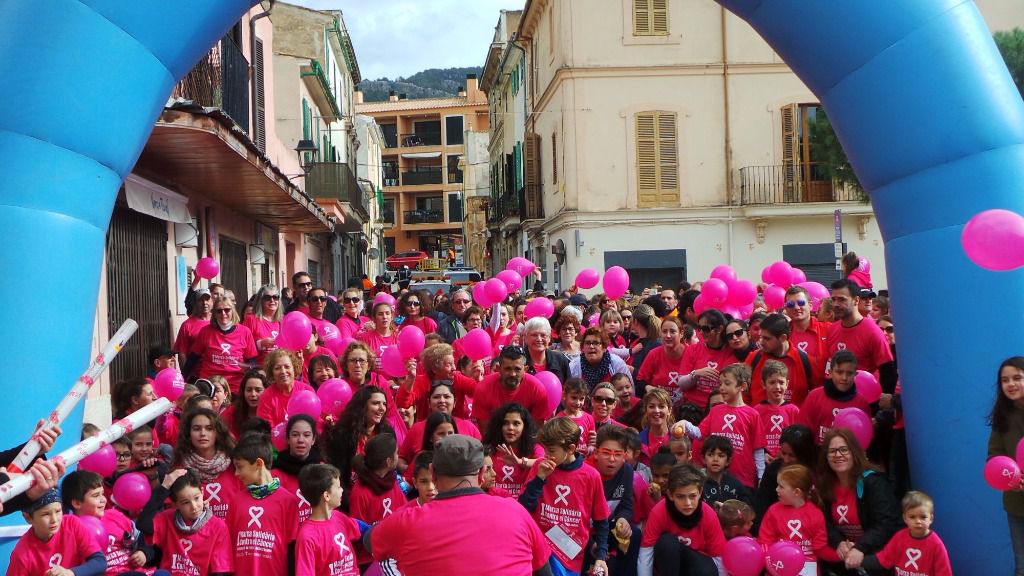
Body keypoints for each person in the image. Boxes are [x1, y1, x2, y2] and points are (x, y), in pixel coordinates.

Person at [364, 434, 553, 575]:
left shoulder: (408, 521)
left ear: (433, 473)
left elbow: (370, 540)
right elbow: (543, 571)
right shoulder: (515, 512)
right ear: (482, 473)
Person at [519, 417, 610, 576]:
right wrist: (539, 479)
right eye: (545, 449)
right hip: (539, 549)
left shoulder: (591, 476)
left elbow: (601, 521)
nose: (546, 454)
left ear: (571, 448)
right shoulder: (540, 467)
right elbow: (524, 508)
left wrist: (601, 555)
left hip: (571, 555)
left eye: (552, 451)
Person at [817, 428, 901, 575]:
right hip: (844, 557)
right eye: (832, 451)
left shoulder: (874, 482)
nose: (838, 455)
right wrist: (839, 542)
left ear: (854, 452)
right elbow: (823, 521)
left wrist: (860, 547)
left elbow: (886, 523)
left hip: (875, 556)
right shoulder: (825, 485)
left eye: (844, 450)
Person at [227, 432, 299, 576]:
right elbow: (228, 544)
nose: (236, 473)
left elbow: (293, 548)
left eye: (240, 467)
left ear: (259, 464)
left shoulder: (288, 501)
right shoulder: (236, 501)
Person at [638, 464, 726, 576]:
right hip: (668, 565)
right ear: (670, 495)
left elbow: (719, 557)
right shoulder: (659, 511)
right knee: (667, 543)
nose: (687, 503)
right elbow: (646, 551)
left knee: (705, 569)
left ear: (700, 492)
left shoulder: (708, 514)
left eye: (692, 496)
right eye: (680, 496)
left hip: (697, 565)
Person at [61, 470, 156, 573]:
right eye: (96, 495)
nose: (103, 500)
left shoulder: (114, 515)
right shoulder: (71, 529)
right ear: (77, 503)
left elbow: (141, 538)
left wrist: (144, 553)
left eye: (102, 494)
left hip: (138, 571)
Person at [322, 385, 396, 509]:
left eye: (384, 404)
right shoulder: (342, 433)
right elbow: (337, 472)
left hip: (381, 495)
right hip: (350, 499)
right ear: (362, 406)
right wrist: (347, 503)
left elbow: (391, 469)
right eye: (376, 403)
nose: (381, 408)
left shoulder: (387, 432)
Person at [758, 464, 840, 573]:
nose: (776, 489)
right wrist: (771, 565)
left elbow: (820, 548)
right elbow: (765, 542)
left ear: (797, 492)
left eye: (781, 487)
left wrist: (839, 556)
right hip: (778, 564)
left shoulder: (816, 514)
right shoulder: (773, 511)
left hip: (807, 567)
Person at [151, 469, 233, 575]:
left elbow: (221, 571)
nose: (194, 507)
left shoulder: (218, 526)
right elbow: (143, 525)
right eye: (185, 503)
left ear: (202, 492)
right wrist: (164, 487)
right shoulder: (166, 518)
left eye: (197, 498)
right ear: (175, 503)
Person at [7, 488, 106, 576]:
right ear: (28, 518)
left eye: (58, 511)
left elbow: (100, 562)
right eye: (46, 514)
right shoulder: (21, 554)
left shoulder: (72, 524)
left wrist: (71, 573)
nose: (54, 519)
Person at [852, 491, 952, 575]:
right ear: (905, 518)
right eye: (912, 517)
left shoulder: (936, 544)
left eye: (923, 517)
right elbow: (884, 559)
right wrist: (857, 560)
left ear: (931, 518)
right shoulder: (900, 537)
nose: (918, 521)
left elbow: (944, 573)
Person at [696, 364, 764, 488]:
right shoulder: (715, 411)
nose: (722, 388)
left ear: (742, 386)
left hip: (743, 479)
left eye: (727, 383)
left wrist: (761, 476)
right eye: (720, 383)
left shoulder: (752, 414)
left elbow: (758, 449)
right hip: (716, 479)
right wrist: (685, 424)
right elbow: (699, 433)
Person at [825, 279, 896, 393]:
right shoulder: (832, 329)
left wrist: (879, 406)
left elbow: (888, 373)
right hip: (837, 404)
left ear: (856, 300)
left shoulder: (872, 331)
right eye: (833, 299)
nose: (836, 304)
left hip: (864, 403)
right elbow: (829, 369)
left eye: (842, 299)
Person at [988, 356, 1024, 575]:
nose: (1010, 384)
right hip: (1017, 506)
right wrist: (1012, 481)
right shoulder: (1003, 417)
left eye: (1017, 378)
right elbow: (993, 456)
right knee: (1022, 567)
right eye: (1005, 380)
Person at [588, 424, 639, 575]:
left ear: (624, 456)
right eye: (606, 453)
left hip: (609, 529)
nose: (612, 459)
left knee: (634, 534)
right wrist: (592, 545)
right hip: (583, 535)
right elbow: (572, 520)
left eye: (617, 454)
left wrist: (623, 519)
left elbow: (626, 505)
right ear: (596, 453)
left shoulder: (627, 471)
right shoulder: (585, 473)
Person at [295, 463, 363, 575]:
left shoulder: (339, 517)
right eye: (338, 487)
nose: (342, 490)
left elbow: (360, 528)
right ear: (327, 496)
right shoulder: (307, 537)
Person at [171, 407, 238, 520]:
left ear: (218, 432)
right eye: (196, 429)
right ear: (189, 433)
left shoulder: (235, 464)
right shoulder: (179, 469)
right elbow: (173, 509)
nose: (203, 433)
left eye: (209, 428)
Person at [184, 296, 258, 393]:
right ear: (214, 313)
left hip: (235, 385)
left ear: (233, 311)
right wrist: (182, 380)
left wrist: (247, 367)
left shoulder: (245, 332)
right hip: (210, 385)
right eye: (219, 311)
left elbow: (252, 362)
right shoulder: (205, 332)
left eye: (227, 310)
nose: (223, 314)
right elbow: (192, 359)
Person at [754, 424, 818, 533]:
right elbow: (762, 507)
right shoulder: (774, 469)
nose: (786, 459)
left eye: (792, 455)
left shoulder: (817, 471)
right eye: (783, 453)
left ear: (804, 455)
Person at [799, 350, 872, 444]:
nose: (844, 378)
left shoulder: (861, 403)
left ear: (855, 375)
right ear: (830, 372)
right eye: (839, 372)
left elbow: (865, 437)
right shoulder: (814, 396)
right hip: (818, 455)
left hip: (848, 456)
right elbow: (803, 431)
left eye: (849, 373)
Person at [471, 345, 550, 431]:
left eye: (517, 369)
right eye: (508, 369)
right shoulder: (483, 389)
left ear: (525, 369)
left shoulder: (537, 389)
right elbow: (485, 432)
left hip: (527, 441)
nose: (512, 374)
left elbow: (536, 432)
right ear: (499, 368)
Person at [748, 313, 820, 406]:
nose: (761, 342)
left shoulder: (805, 361)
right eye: (762, 337)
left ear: (783, 338)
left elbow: (817, 395)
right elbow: (743, 391)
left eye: (767, 338)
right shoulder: (754, 358)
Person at [681, 309, 737, 412]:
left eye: (706, 329)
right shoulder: (693, 349)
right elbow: (681, 384)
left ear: (720, 329)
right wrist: (696, 374)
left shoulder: (732, 351)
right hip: (694, 409)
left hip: (722, 408)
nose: (701, 332)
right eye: (699, 328)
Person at [485, 402, 544, 498]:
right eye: (505, 423)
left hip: (523, 504)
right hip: (494, 503)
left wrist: (520, 462)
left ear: (525, 426)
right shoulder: (490, 448)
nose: (510, 428)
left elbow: (543, 463)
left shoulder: (534, 448)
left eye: (516, 423)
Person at [273, 414, 322, 523]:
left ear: (313, 440)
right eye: (295, 435)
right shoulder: (274, 475)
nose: (301, 440)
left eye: (307, 435)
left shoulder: (323, 471)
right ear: (288, 439)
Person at [755, 360, 802, 460]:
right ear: (763, 384)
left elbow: (797, 439)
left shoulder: (794, 410)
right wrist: (763, 454)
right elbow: (754, 439)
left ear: (787, 384)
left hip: (787, 460)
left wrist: (785, 454)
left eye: (781, 382)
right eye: (772, 382)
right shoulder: (757, 411)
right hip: (764, 460)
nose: (777, 387)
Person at [636, 316, 689, 404]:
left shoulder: (691, 353)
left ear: (681, 333)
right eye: (664, 331)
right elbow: (640, 380)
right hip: (659, 406)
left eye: (672, 331)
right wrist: (647, 387)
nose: (668, 335)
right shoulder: (653, 354)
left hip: (685, 407)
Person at [256, 349, 315, 428]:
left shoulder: (307, 391)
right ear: (272, 372)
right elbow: (265, 430)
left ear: (294, 368)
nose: (283, 371)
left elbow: (315, 422)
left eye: (287, 367)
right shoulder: (266, 397)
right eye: (277, 368)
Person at [570, 327, 633, 395]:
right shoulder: (574, 366)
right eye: (587, 343)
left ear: (604, 347)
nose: (591, 346)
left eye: (596, 343)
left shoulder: (617, 363)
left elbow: (629, 392)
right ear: (583, 347)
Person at [783, 285, 830, 362]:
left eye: (801, 303)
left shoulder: (828, 329)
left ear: (810, 305)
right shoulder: (782, 334)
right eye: (790, 304)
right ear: (786, 309)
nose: (796, 307)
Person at [521, 316, 572, 385]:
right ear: (526, 337)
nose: (539, 339)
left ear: (549, 338)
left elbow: (569, 390)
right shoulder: (517, 361)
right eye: (534, 335)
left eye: (543, 335)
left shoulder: (561, 360)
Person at [243, 284, 283, 366]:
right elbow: (242, 345)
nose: (272, 300)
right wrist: (260, 344)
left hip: (279, 368)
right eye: (267, 298)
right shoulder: (251, 319)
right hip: (259, 370)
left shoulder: (283, 321)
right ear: (260, 301)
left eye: (275, 297)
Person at [222, 370, 266, 439]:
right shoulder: (231, 412)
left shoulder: (272, 411)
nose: (253, 394)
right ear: (243, 392)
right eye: (248, 390)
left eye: (258, 390)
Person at [174, 288, 212, 364]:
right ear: (195, 303)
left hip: (216, 373)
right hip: (195, 373)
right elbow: (182, 354)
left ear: (212, 302)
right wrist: (185, 374)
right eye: (200, 300)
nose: (204, 303)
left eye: (207, 299)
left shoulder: (218, 321)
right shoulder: (187, 325)